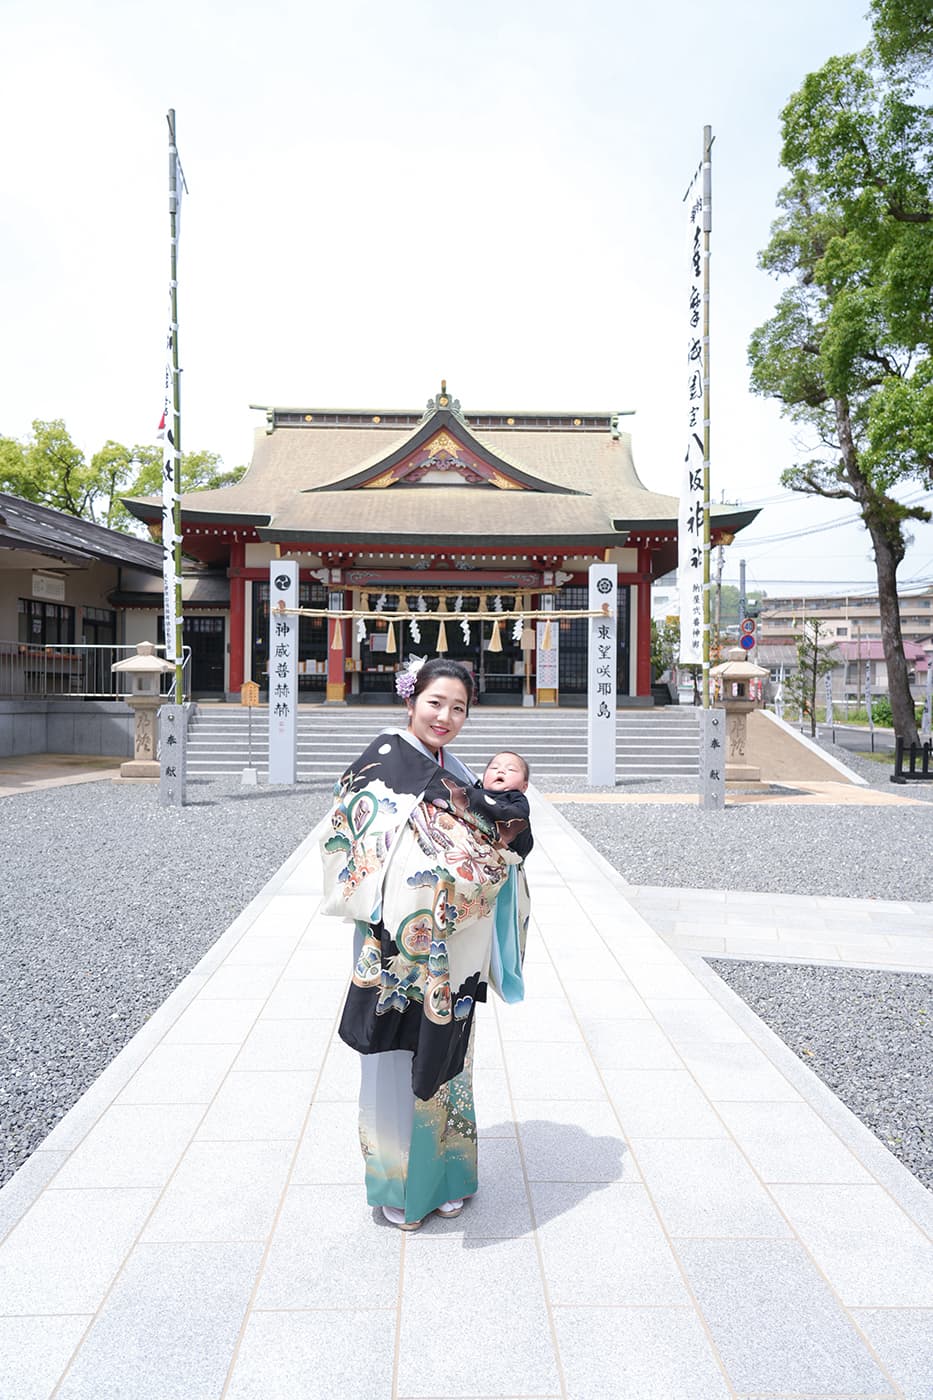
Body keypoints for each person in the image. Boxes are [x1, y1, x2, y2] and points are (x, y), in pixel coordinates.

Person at [318, 657, 530, 1231]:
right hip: (400, 942)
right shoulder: (380, 762)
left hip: (454, 939)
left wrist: (507, 838)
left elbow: (497, 837)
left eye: (458, 707)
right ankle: (397, 1182)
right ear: (410, 700)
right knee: (392, 1056)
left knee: (448, 1053)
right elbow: (351, 838)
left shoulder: (459, 769)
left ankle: (447, 1175)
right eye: (435, 702)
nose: (446, 716)